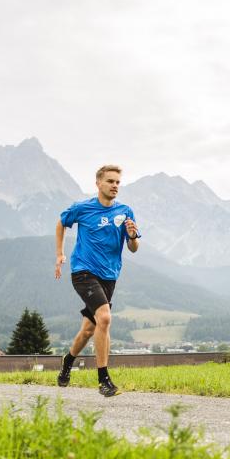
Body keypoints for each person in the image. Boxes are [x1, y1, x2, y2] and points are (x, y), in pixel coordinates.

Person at [54, 164, 140, 396]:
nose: (115, 186)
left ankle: (67, 362)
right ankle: (104, 380)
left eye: (117, 182)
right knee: (104, 318)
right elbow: (61, 222)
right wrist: (60, 253)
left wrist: (132, 236)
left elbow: (133, 248)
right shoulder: (83, 208)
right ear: (98, 184)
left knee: (89, 330)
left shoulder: (125, 212)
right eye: (110, 181)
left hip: (109, 276)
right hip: (83, 272)